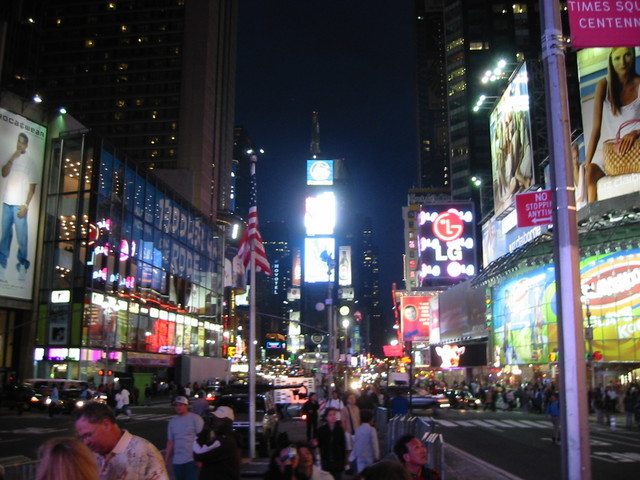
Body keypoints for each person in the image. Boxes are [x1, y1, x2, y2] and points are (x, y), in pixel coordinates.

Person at [585, 47, 640, 203]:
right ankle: (592, 220)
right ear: (611, 61)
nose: (622, 62)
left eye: (627, 55)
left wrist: (635, 132)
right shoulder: (603, 85)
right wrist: (587, 162)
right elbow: (596, 129)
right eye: (617, 58)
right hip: (614, 151)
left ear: (632, 56)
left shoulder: (639, 83)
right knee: (589, 173)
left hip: (637, 145)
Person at [73, 400, 168, 480]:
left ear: (106, 425)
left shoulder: (143, 451)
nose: (86, 442)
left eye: (88, 435)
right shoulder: (91, 455)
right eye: (82, 437)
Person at [0, 132, 38, 282]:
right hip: (7, 202)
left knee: (22, 237)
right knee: (5, 236)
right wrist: (12, 158)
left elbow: (32, 187)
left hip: (19, 205)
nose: (19, 144)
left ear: (26, 145)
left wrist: (26, 205)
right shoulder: (11, 157)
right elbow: (4, 173)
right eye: (18, 141)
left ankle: (22, 264)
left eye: (22, 143)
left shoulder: (30, 162)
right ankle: (2, 266)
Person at [193, 406, 240, 480]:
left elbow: (199, 454)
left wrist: (203, 432)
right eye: (215, 419)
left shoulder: (223, 441)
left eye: (219, 420)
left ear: (227, 422)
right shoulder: (223, 439)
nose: (215, 422)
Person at [165, 395, 204, 480]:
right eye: (176, 405)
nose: (178, 407)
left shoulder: (195, 419)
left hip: (192, 459)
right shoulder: (172, 422)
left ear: (186, 406)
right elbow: (170, 442)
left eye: (181, 405)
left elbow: (201, 439)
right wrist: (166, 460)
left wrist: (200, 458)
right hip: (177, 460)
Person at [316, 408, 346, 480]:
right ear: (326, 417)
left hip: (337, 459)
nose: (333, 417)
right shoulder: (322, 430)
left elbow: (343, 445)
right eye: (330, 415)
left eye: (334, 414)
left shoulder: (339, 429)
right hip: (326, 459)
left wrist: (343, 461)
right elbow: (319, 445)